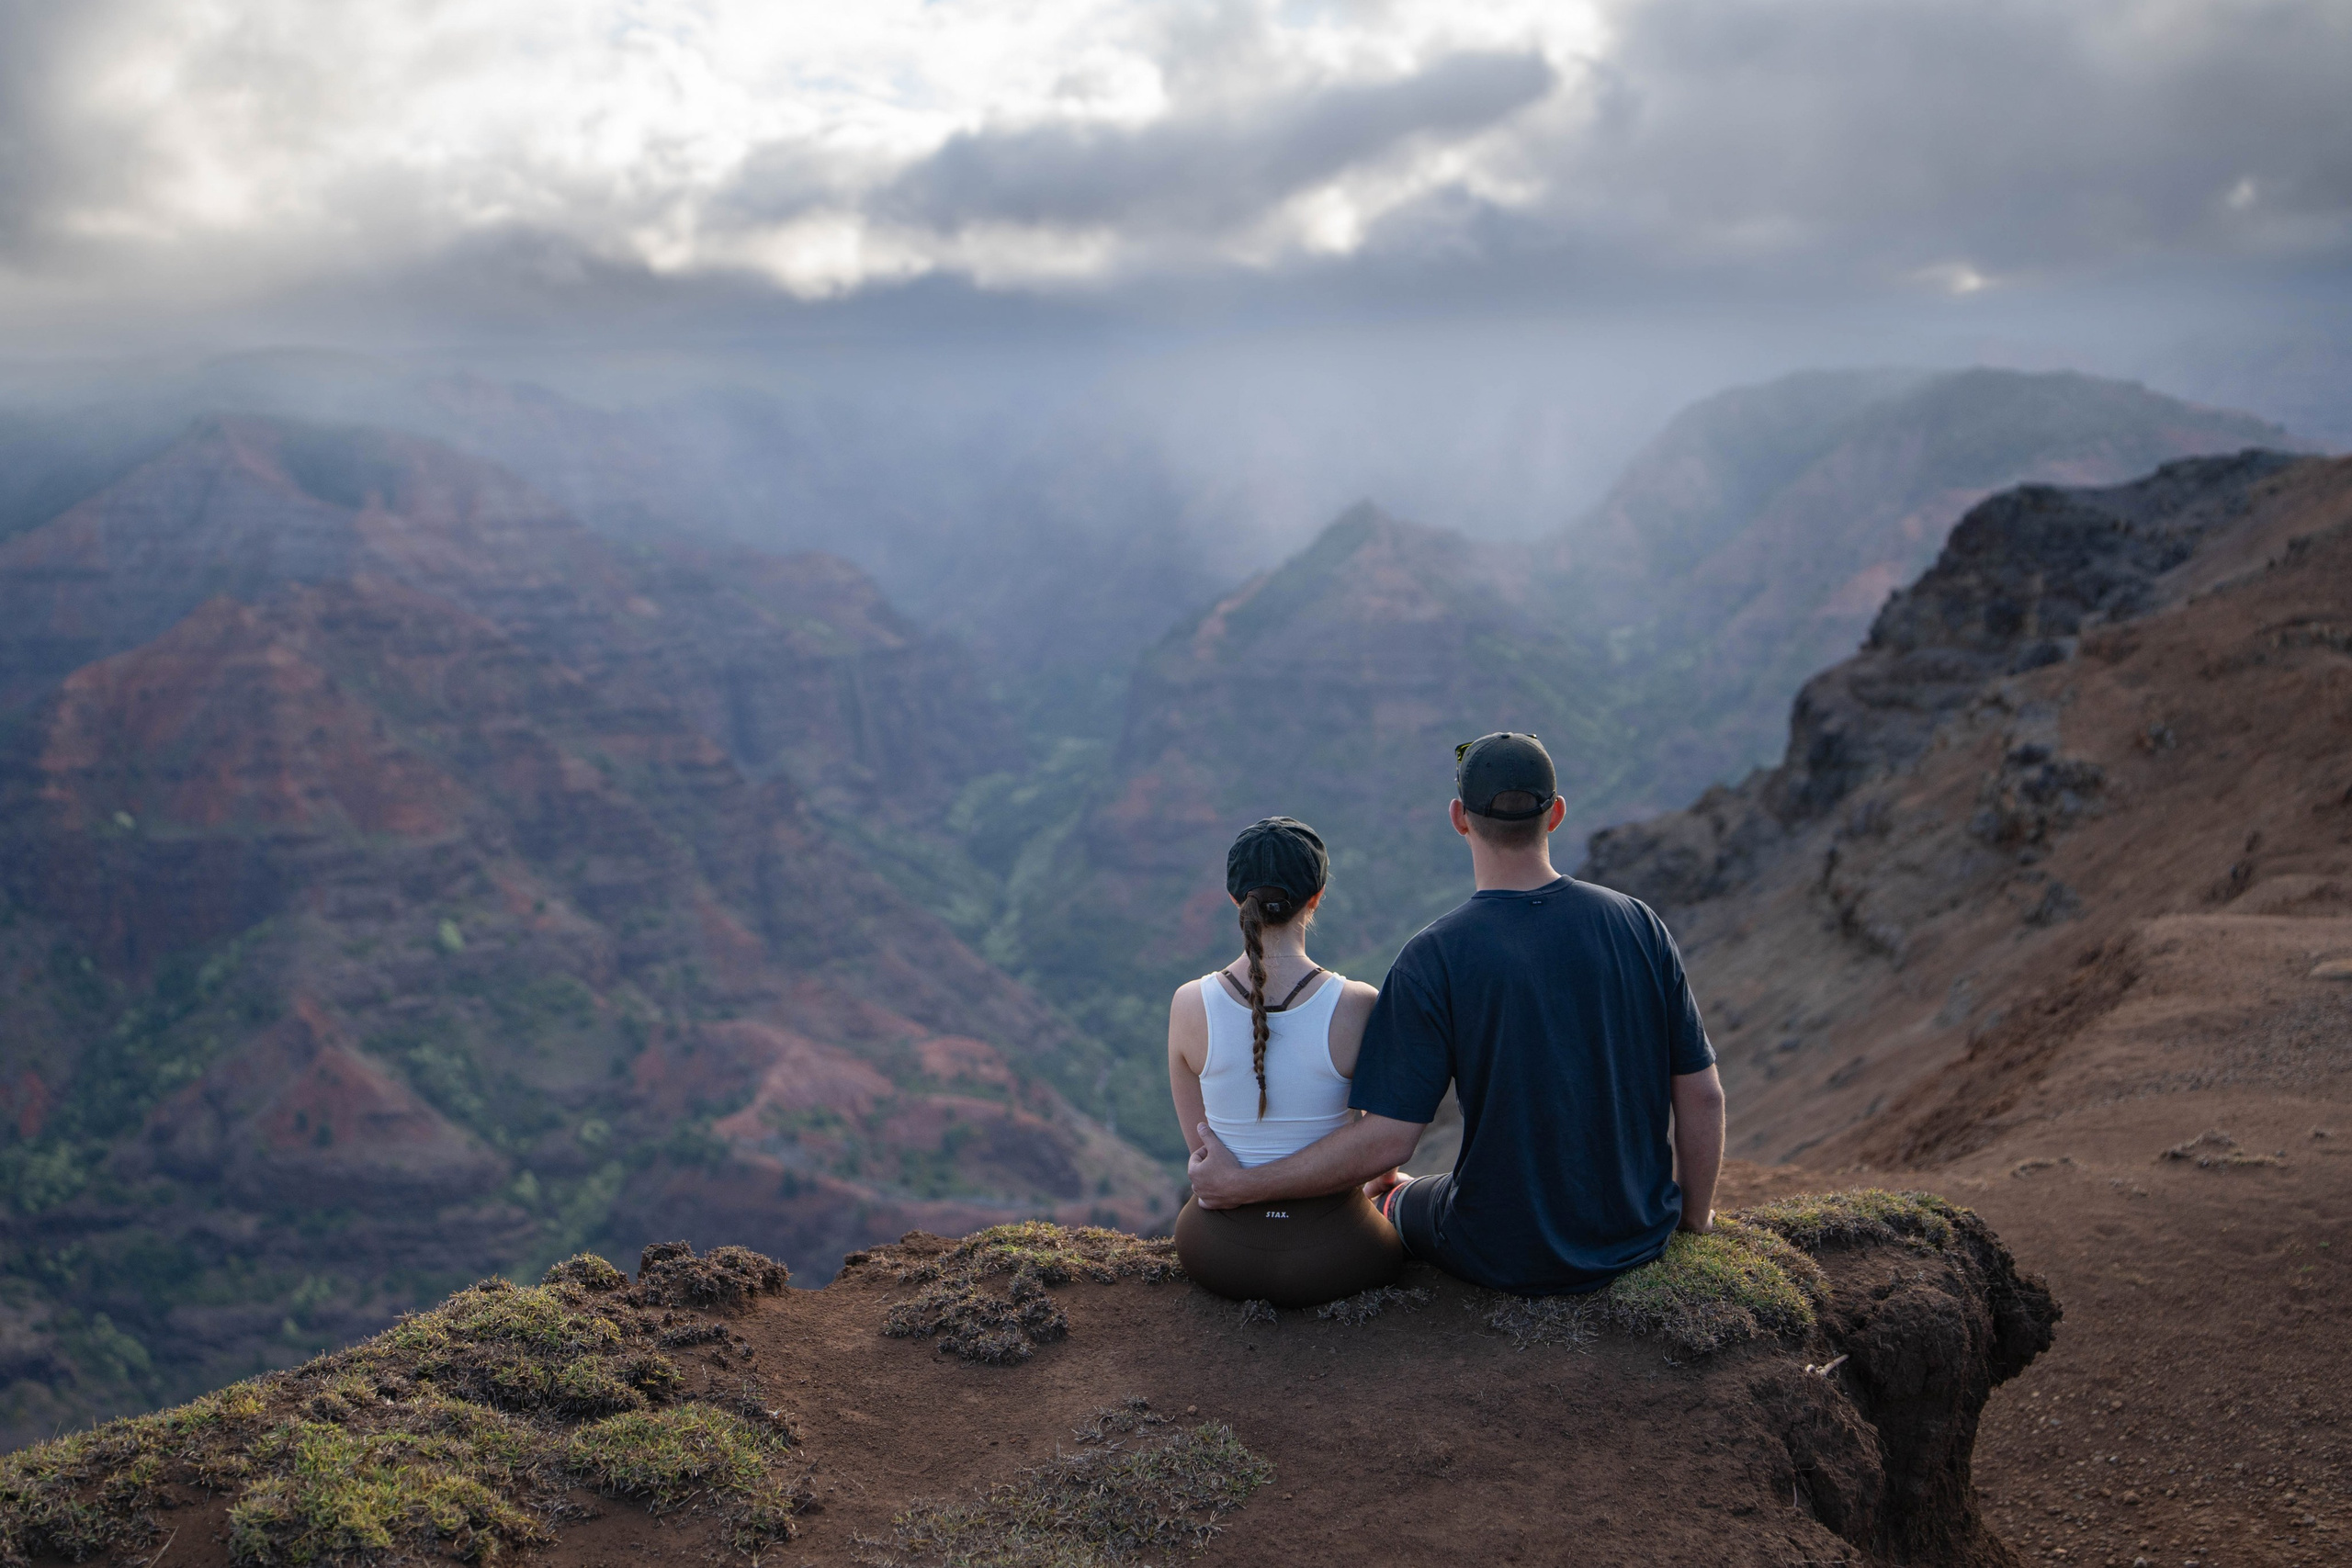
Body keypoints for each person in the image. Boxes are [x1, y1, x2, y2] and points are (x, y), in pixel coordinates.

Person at [1186, 734, 1725, 1296]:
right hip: (1639, 1232)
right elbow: (1703, 1094)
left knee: (1393, 1197)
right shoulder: (1638, 924)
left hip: (1499, 1249)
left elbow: (1387, 1142)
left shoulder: (1435, 956)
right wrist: (1692, 1220)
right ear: (1556, 814)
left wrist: (1246, 1185)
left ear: (1459, 818)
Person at [1169, 817, 1402, 1308]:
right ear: (1316, 897)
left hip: (1215, 1252)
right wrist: (1376, 1185)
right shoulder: (1358, 1004)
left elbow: (1204, 1152)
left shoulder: (1189, 1004)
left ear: (1235, 900)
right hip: (1337, 1255)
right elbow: (1376, 1145)